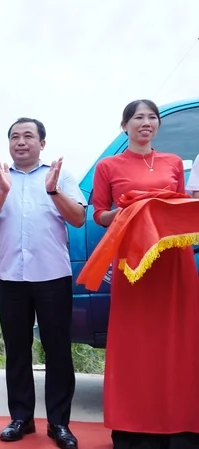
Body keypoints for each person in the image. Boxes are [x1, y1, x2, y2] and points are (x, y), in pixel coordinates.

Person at [91, 100, 199, 448]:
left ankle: (180, 424)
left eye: (152, 117)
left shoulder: (171, 163)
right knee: (134, 340)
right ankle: (131, 426)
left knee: (177, 338)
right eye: (138, 117)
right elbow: (100, 215)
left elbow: (181, 208)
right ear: (125, 126)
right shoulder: (109, 166)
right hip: (134, 263)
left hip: (173, 260)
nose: (146, 122)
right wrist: (132, 210)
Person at [0, 117, 85, 449]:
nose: (20, 142)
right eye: (14, 137)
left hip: (52, 275)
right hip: (11, 277)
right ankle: (20, 418)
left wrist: (52, 190)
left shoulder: (61, 176)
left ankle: (59, 423)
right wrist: (4, 191)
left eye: (28, 136)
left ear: (42, 143)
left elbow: (78, 218)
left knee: (57, 351)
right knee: (17, 350)